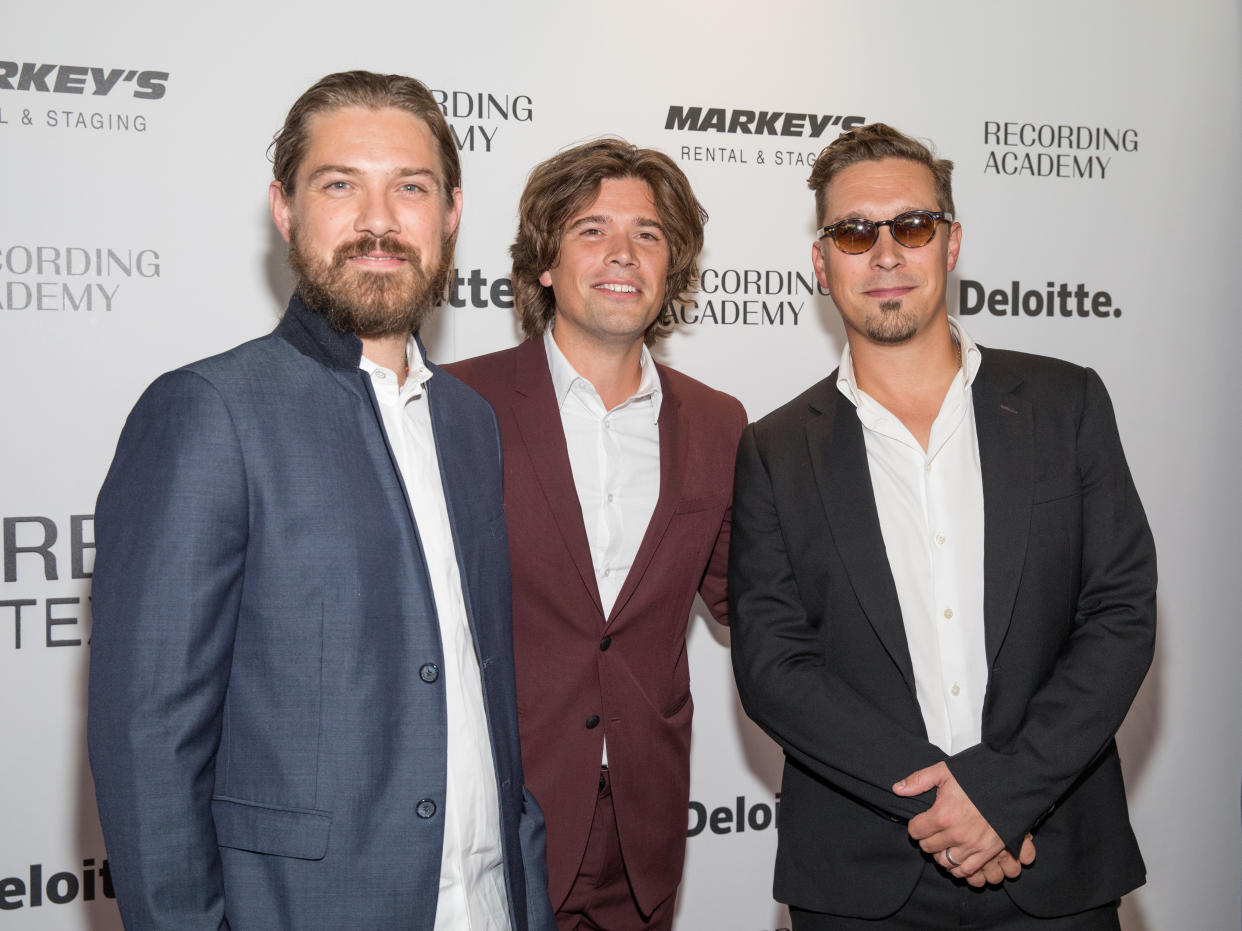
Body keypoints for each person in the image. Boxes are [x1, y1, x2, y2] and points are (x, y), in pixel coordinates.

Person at [87, 70, 554, 931]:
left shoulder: (470, 422)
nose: (379, 219)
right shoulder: (207, 412)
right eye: (340, 184)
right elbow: (148, 741)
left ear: (451, 212)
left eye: (409, 187)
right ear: (284, 208)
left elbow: (484, 698)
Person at [728, 123, 1156, 929]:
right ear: (820, 263)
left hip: (1054, 858)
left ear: (950, 244)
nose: (885, 253)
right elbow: (774, 666)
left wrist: (1004, 791)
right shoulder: (775, 449)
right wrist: (953, 803)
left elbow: (1121, 613)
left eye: (912, 226)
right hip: (864, 880)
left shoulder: (1067, 405)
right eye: (854, 232)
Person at [448, 138, 746, 931]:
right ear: (544, 263)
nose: (622, 253)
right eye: (591, 230)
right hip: (493, 820)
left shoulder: (718, 422)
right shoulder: (457, 406)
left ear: (670, 267)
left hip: (641, 833)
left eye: (648, 234)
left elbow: (756, 603)